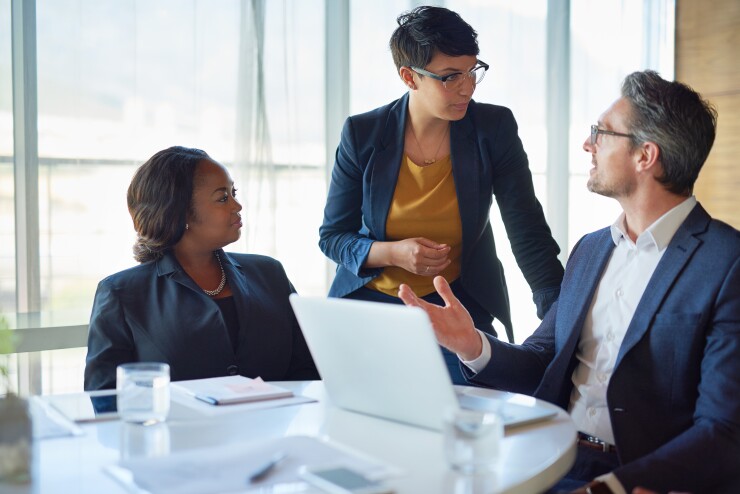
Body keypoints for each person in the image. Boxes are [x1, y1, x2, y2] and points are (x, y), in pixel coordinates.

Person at [399, 70, 740, 493]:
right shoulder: (591, 249)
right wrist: (472, 344)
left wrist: (611, 487)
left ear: (645, 156)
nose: (587, 144)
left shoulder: (727, 262)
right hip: (551, 455)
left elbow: (723, 430)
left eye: (601, 133)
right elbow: (545, 360)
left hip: (639, 477)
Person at [319, 6, 564, 384]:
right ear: (409, 77)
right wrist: (394, 252)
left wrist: (561, 321)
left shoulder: (493, 129)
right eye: (450, 77)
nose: (467, 87)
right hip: (371, 306)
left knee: (472, 412)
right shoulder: (362, 134)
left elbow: (527, 230)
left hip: (455, 305)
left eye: (472, 71)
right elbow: (333, 237)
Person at [84, 146, 319, 390]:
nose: (237, 206)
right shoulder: (120, 293)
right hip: (176, 429)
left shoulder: (270, 274)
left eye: (234, 192)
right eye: (222, 197)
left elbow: (307, 370)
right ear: (180, 211)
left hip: (274, 426)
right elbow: (106, 397)